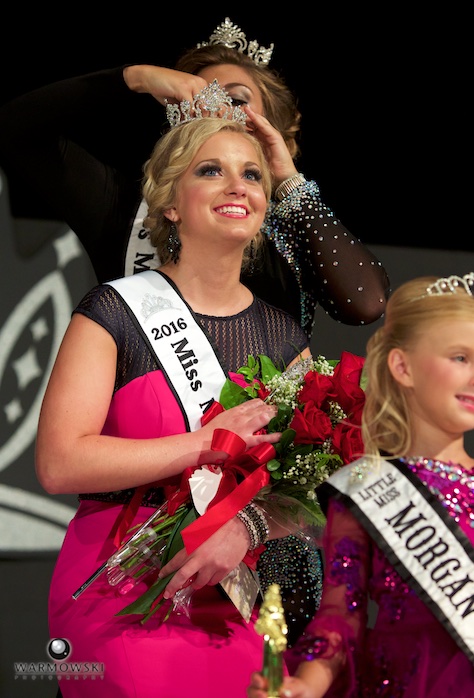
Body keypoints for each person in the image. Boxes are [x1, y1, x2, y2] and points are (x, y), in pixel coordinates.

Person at [0, 18, 390, 648]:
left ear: (277, 133)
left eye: (236, 102)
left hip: (263, 546)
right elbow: (17, 129)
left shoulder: (287, 227)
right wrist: (138, 78)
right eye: (193, 99)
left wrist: (283, 175)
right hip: (140, 533)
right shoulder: (125, 214)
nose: (213, 110)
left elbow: (366, 300)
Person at [35, 99, 315, 698]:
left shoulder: (286, 338)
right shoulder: (113, 312)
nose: (236, 184)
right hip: (122, 583)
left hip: (236, 593)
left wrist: (247, 526)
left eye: (252, 173)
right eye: (210, 170)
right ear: (168, 201)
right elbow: (61, 463)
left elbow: (308, 492)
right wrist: (202, 444)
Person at [247, 272, 474, 698]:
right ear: (402, 366)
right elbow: (340, 620)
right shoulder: (368, 488)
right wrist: (306, 688)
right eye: (460, 358)